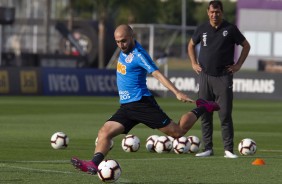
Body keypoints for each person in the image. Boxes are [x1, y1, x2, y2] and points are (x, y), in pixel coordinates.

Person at [71, 24, 220, 174]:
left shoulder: (139, 55)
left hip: (142, 104)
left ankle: (203, 106)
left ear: (131, 37)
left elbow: (157, 74)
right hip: (127, 107)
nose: (120, 45)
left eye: (123, 41)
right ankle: (93, 164)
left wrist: (176, 92)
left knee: (178, 132)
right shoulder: (124, 49)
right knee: (104, 132)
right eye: (117, 41)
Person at [187, 0, 250, 158]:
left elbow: (246, 46)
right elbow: (190, 45)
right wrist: (194, 63)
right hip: (205, 77)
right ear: (208, 12)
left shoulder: (230, 29)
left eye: (218, 12)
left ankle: (228, 149)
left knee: (225, 114)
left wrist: (238, 65)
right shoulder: (202, 28)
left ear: (222, 12)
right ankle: (207, 148)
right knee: (205, 114)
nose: (215, 15)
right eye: (212, 12)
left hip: (223, 77)